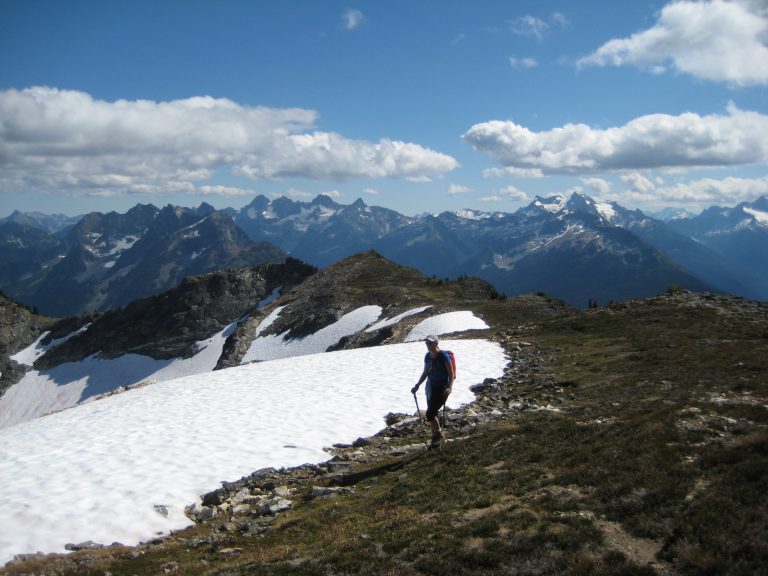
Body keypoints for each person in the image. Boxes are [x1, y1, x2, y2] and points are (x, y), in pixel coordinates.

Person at [411, 334, 454, 447]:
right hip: (432, 386)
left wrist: (449, 388)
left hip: (442, 388)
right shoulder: (427, 356)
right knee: (431, 412)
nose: (428, 345)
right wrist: (417, 385)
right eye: (426, 343)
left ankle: (439, 435)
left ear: (436, 343)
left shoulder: (443, 355)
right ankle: (435, 436)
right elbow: (425, 372)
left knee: (430, 413)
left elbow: (451, 374)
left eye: (430, 343)